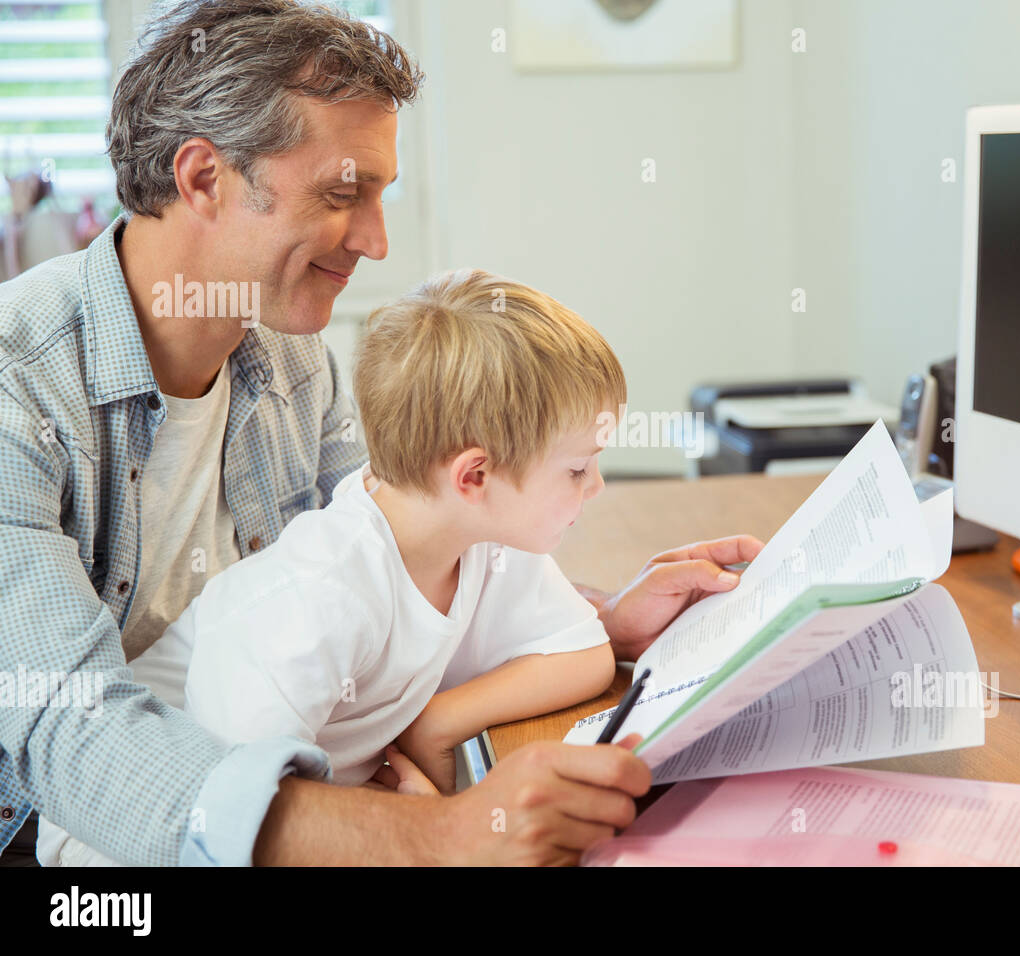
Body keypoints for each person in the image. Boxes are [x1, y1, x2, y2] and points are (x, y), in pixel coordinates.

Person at [0, 0, 763, 867]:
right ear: (203, 177)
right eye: (341, 193)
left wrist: (602, 619)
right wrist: (438, 837)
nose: (377, 240)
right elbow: (70, 735)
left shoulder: (292, 361)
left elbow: (406, 553)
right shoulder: (16, 389)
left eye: (381, 196)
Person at [37, 268, 636, 866]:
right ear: (474, 476)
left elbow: (582, 653)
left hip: (300, 807)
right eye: (578, 468)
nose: (597, 485)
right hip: (135, 836)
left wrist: (437, 722)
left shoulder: (485, 538)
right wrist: (418, 828)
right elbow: (237, 814)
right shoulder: (322, 593)